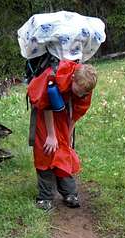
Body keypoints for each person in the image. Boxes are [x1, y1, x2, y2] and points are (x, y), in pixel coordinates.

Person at [27, 59, 97, 210]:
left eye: (83, 93)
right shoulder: (54, 77)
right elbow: (46, 105)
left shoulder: (85, 89)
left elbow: (76, 114)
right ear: (72, 78)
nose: (80, 94)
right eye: (78, 91)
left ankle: (69, 193)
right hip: (44, 111)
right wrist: (51, 135)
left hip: (65, 111)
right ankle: (45, 197)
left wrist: (68, 135)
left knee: (64, 150)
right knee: (45, 150)